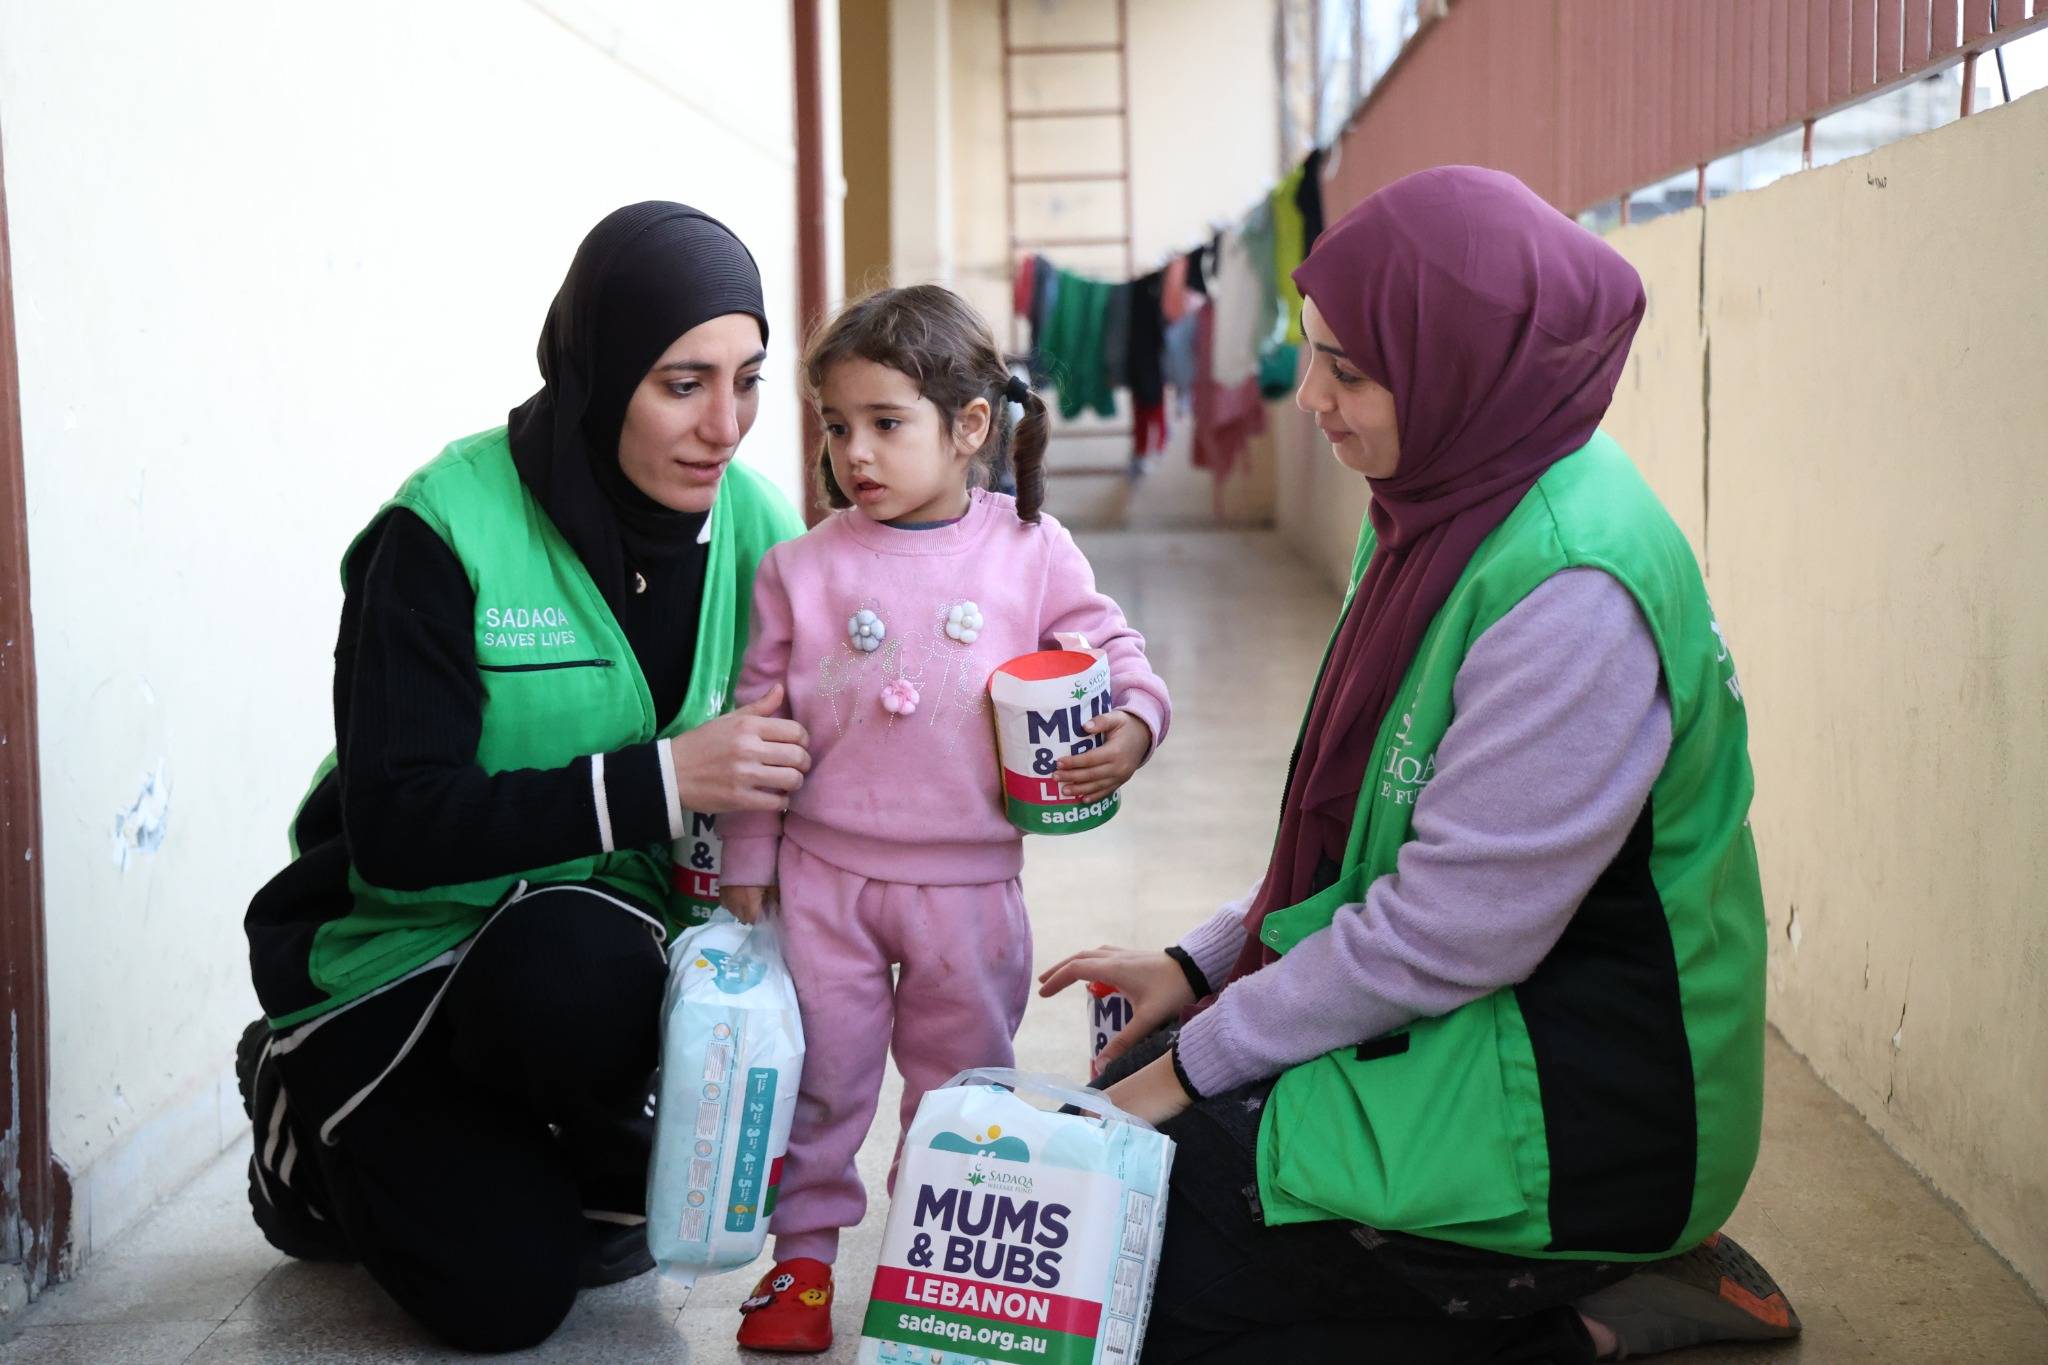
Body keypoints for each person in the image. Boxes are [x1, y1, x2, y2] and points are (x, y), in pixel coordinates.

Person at [1040, 167, 1803, 1363]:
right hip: (1485, 1028)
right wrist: (1201, 964)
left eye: (1348, 370)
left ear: (1459, 363)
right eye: (1312, 354)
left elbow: (1445, 932)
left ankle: (1597, 1310)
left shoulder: (1571, 590)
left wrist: (1188, 1070)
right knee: (1118, 1151)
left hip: (1588, 1111)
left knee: (1133, 1277)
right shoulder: (1444, 505)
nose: (1309, 398)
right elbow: (1376, 841)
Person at [238, 202, 810, 1353]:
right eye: (682, 386)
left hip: (604, 966)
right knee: (501, 1301)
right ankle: (297, 1120)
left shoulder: (757, 528)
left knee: (625, 1169)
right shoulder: (443, 529)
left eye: (747, 382)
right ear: (598, 373)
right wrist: (663, 779)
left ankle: (557, 1150)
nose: (725, 426)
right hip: (404, 954)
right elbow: (395, 825)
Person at [714, 284, 1173, 1353]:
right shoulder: (799, 568)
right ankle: (801, 1265)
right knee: (822, 1084)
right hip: (822, 881)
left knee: (959, 1092)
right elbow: (758, 724)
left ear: (970, 427)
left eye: (885, 423)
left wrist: (1137, 721)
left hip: (969, 892)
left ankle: (932, 1273)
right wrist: (747, 857)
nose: (854, 454)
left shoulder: (1031, 551)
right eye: (837, 426)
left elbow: (1115, 652)